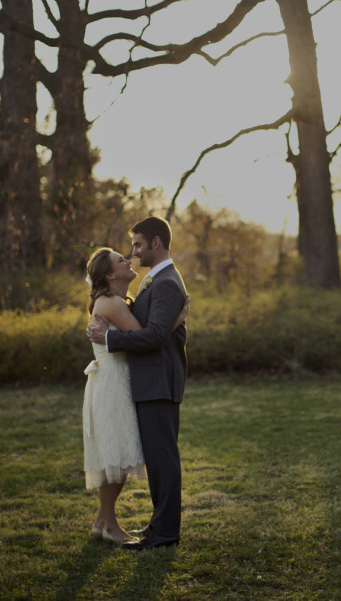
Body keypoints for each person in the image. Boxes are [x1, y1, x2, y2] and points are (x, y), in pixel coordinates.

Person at [87, 216, 189, 551]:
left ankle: (164, 533)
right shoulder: (153, 281)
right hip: (146, 381)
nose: (133, 252)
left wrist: (111, 339)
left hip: (158, 381)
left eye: (138, 245)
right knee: (158, 460)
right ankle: (158, 527)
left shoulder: (166, 283)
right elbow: (156, 329)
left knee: (163, 459)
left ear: (156, 243)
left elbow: (157, 334)